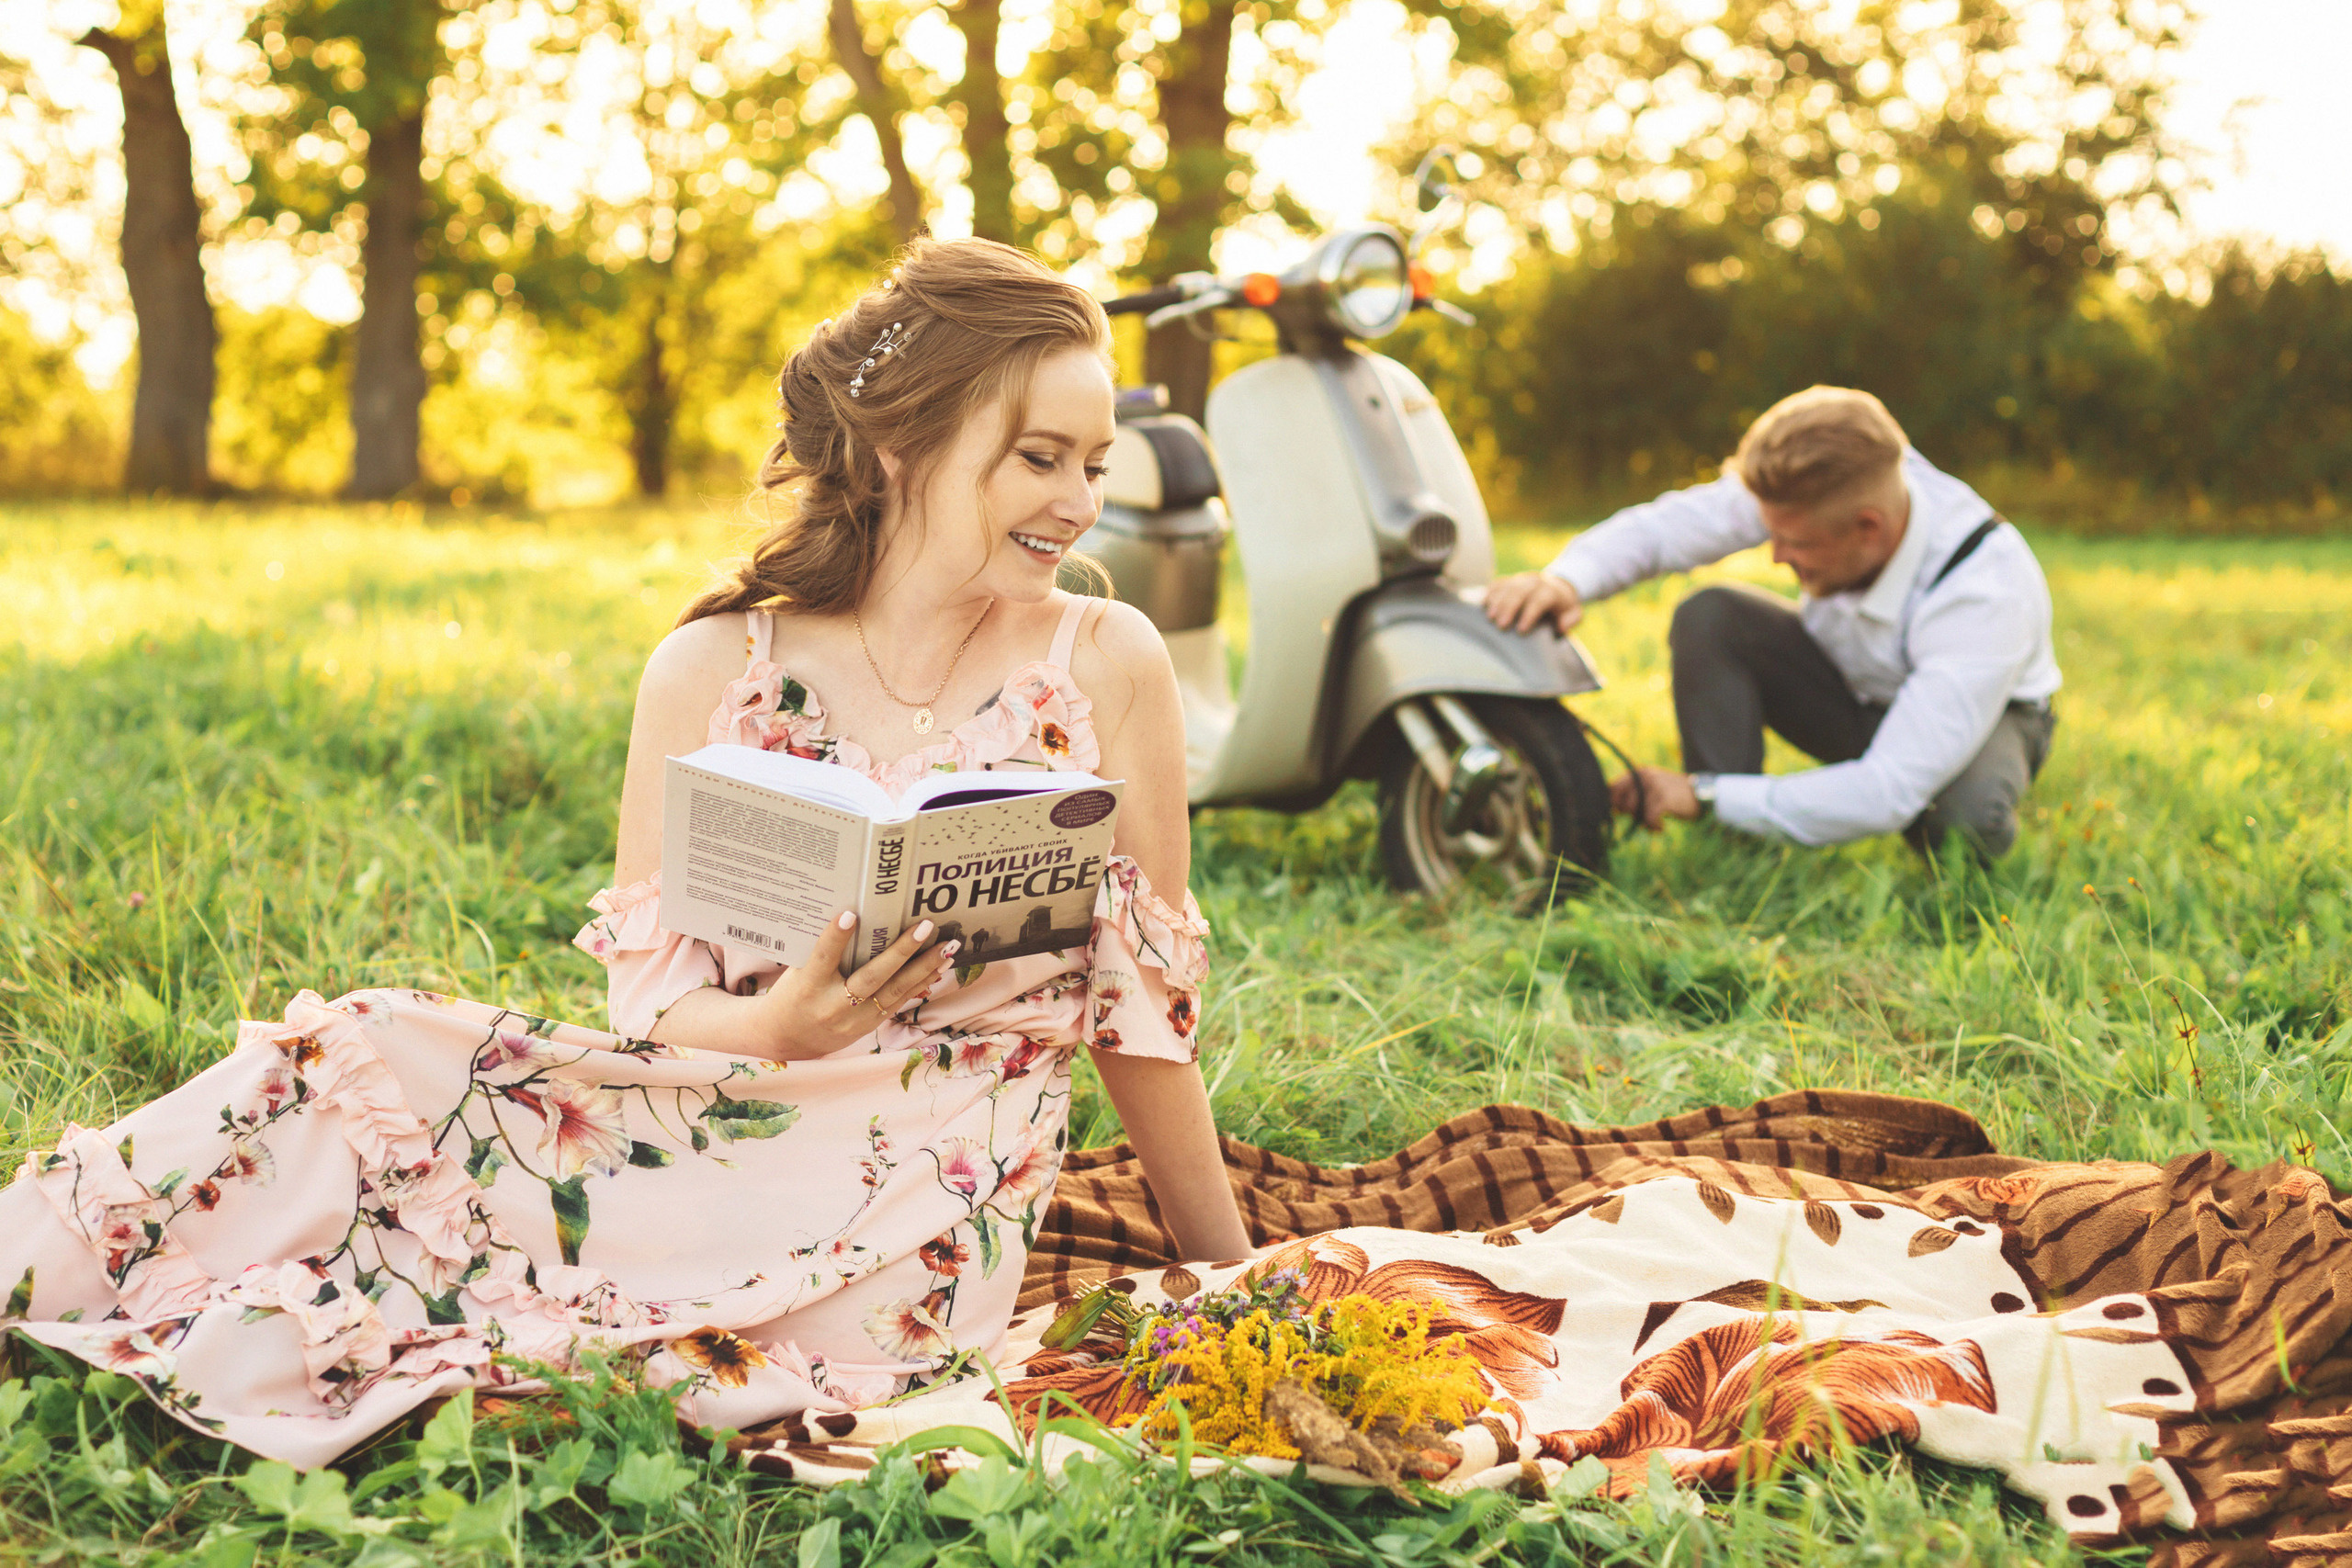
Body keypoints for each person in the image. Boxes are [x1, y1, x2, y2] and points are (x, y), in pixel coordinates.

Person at [0, 238, 1250, 1468]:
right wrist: (780, 1030)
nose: (1081, 502)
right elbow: (649, 998)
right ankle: (21, 1274)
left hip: (922, 1212)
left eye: (1094, 463)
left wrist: (1236, 1276)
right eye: (1040, 458)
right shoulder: (714, 666)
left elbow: (1145, 1012)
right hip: (716, 1115)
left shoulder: (1106, 659)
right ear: (896, 443)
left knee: (581, 1307)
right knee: (366, 1043)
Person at [1485, 387, 2060, 858]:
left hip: (1988, 719)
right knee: (1711, 614)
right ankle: (1735, 845)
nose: (1775, 556)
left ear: (1870, 528)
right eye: (1769, 532)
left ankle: (1718, 802)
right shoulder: (1821, 486)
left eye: (1796, 543)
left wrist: (1698, 795)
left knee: (1958, 825)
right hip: (1847, 682)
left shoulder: (1985, 592)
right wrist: (1565, 580)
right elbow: (1667, 530)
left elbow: (1889, 788)